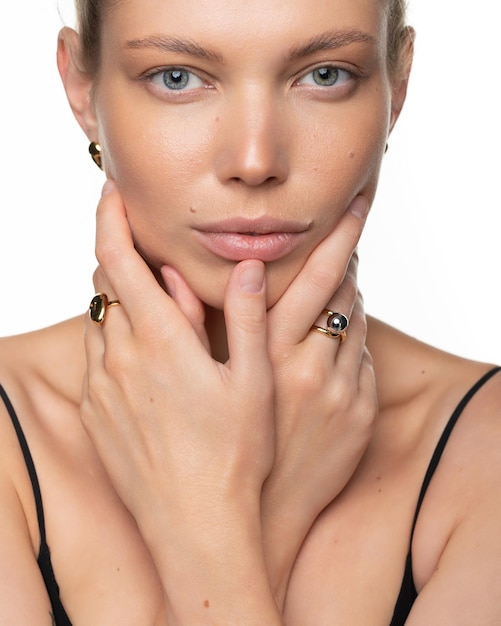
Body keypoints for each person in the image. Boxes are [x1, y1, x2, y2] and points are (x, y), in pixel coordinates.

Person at [0, 0, 500, 624]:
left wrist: (213, 533)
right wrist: (263, 511)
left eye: (325, 75)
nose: (255, 161)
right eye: (176, 77)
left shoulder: (488, 454)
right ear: (81, 85)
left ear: (397, 84)